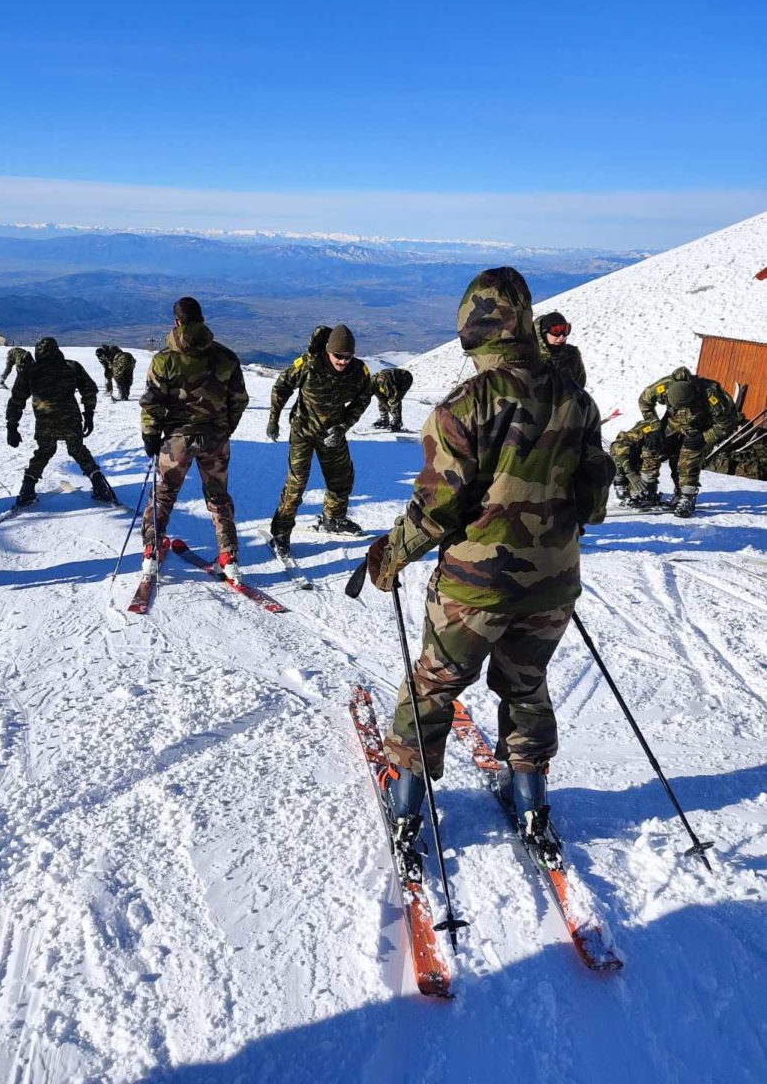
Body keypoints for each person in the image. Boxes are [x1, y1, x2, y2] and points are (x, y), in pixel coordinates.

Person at [365, 267, 613, 870]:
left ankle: (406, 808)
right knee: (526, 684)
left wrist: (389, 555)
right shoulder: (575, 399)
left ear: (471, 327)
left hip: (475, 587)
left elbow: (437, 506)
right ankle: (529, 799)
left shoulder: (466, 404)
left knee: (433, 686)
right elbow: (595, 501)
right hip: (553, 583)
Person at [138, 297, 249, 582]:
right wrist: (226, 428)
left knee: (163, 494)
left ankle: (151, 551)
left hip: (176, 440)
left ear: (177, 322)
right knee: (218, 497)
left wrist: (151, 434)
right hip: (215, 438)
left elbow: (152, 403)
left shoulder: (164, 360)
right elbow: (238, 399)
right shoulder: (225, 357)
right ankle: (228, 556)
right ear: (201, 320)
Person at [267, 324, 373, 553]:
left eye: (348, 356)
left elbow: (364, 398)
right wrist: (273, 418)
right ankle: (280, 534)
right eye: (338, 356)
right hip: (303, 433)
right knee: (296, 486)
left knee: (342, 479)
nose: (343, 361)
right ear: (328, 352)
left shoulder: (358, 371)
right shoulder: (307, 364)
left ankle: (333, 518)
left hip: (332, 434)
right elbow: (281, 386)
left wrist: (344, 425)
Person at [5, 337, 116, 507]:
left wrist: (12, 425)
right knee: (78, 450)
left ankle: (27, 490)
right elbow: (89, 390)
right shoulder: (71, 366)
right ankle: (100, 486)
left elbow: (16, 400)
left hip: (45, 420)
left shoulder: (30, 371)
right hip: (70, 419)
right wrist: (88, 414)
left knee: (44, 452)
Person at [630, 366, 740, 516]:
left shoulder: (710, 393)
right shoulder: (664, 387)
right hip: (672, 423)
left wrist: (705, 437)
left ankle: (686, 497)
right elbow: (644, 401)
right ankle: (647, 489)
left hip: (701, 427)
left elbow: (729, 421)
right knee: (652, 447)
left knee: (687, 458)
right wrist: (655, 427)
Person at [534, 311, 586, 389]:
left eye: (565, 330)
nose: (562, 336)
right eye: (556, 331)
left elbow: (580, 383)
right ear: (543, 333)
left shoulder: (572, 354)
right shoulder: (531, 359)